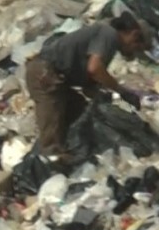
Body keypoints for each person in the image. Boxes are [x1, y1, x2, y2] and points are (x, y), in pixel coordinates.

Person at [25, 13, 153, 155]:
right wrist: (121, 91)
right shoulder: (108, 34)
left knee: (78, 111)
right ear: (134, 35)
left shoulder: (107, 43)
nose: (133, 52)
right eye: (136, 48)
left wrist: (116, 101)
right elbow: (95, 69)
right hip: (44, 74)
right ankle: (49, 162)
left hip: (57, 79)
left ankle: (69, 153)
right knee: (52, 123)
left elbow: (89, 83)